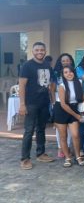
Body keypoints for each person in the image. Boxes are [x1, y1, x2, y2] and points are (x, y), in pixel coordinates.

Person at [19, 42, 55, 170]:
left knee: (41, 129)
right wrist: (22, 104)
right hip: (31, 103)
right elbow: (22, 85)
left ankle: (40, 153)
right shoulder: (27, 66)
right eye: (37, 50)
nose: (40, 52)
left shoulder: (47, 65)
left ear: (45, 51)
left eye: (42, 50)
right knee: (29, 130)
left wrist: (52, 99)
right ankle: (25, 158)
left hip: (44, 102)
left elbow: (50, 84)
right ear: (33, 51)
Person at [53, 66, 84, 168]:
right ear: (63, 75)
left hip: (74, 108)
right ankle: (67, 157)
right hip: (61, 110)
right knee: (63, 136)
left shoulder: (80, 83)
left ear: (74, 72)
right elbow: (63, 104)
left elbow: (82, 97)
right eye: (66, 72)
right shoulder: (61, 86)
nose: (69, 74)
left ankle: (77, 157)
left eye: (70, 71)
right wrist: (77, 115)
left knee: (75, 135)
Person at [52, 53, 75, 158]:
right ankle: (60, 147)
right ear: (60, 62)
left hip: (71, 102)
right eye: (63, 61)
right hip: (58, 102)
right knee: (60, 128)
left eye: (67, 60)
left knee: (70, 127)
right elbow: (52, 89)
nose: (66, 62)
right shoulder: (56, 73)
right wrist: (53, 102)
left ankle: (68, 147)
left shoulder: (73, 72)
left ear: (71, 61)